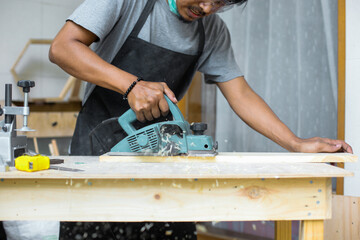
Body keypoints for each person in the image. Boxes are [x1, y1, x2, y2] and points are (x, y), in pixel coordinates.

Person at [49, 0, 353, 239]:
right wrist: (131, 85)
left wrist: (296, 144)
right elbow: (63, 47)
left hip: (166, 162)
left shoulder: (212, 31)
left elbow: (241, 94)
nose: (207, 8)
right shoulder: (127, 2)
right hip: (97, 149)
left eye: (219, 2)